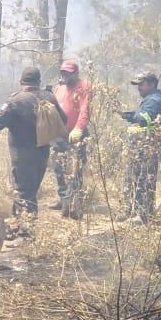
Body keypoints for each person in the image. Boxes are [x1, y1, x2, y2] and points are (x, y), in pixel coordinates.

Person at [0, 67, 66, 221]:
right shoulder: (49, 96)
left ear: (21, 81)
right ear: (39, 81)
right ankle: (18, 226)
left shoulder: (15, 101)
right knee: (30, 191)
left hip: (23, 157)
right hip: (42, 155)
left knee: (24, 194)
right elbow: (64, 120)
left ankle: (25, 233)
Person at [120, 71, 161, 223]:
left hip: (149, 147)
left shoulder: (155, 100)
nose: (138, 87)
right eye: (138, 84)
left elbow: (144, 119)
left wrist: (128, 115)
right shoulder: (149, 99)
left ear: (152, 84)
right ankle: (131, 211)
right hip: (140, 147)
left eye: (141, 84)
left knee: (145, 180)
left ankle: (143, 215)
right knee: (132, 178)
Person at [48, 58, 93, 213]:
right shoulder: (58, 88)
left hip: (75, 135)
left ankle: (73, 203)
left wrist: (79, 128)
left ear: (76, 73)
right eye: (63, 72)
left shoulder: (84, 86)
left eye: (68, 73)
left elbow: (84, 109)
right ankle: (63, 198)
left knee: (76, 169)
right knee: (59, 168)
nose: (65, 76)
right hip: (58, 134)